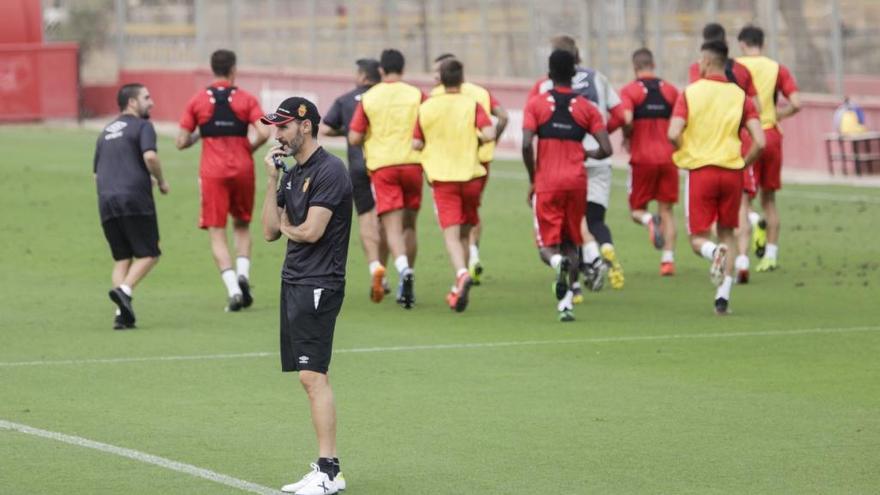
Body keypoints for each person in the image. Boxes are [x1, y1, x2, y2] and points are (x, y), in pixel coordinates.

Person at [259, 97, 352, 495]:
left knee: (313, 376)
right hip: (294, 280)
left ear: (305, 126)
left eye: (282, 127)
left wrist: (286, 224)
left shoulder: (330, 171)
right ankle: (324, 469)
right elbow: (267, 232)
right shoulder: (292, 174)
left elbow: (311, 231)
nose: (275, 134)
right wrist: (270, 180)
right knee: (308, 376)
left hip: (319, 283)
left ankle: (329, 472)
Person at [668, 40, 765, 315]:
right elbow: (760, 140)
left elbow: (673, 132)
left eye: (700, 61)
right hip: (732, 172)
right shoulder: (741, 96)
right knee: (727, 233)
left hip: (702, 171)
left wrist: (686, 150)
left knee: (698, 238)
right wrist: (744, 164)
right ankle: (723, 297)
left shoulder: (690, 93)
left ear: (708, 62)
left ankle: (713, 254)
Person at [528, 35, 626, 294]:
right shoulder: (597, 79)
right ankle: (600, 252)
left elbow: (528, 138)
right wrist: (596, 141)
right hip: (590, 163)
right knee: (590, 221)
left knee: (561, 233)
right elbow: (621, 115)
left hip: (555, 169)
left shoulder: (541, 90)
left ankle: (581, 275)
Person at [176, 49, 268, 311]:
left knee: (217, 231)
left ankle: (232, 289)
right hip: (243, 169)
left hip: (212, 172)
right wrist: (247, 149)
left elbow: (181, 141)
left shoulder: (197, 101)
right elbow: (264, 131)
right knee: (242, 224)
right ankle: (243, 275)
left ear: (212, 69)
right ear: (233, 70)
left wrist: (200, 134)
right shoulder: (246, 99)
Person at [413, 58, 496, 311]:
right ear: (461, 79)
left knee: (451, 233)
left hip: (443, 178)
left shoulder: (427, 107)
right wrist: (476, 141)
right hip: (471, 176)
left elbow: (416, 144)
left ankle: (461, 273)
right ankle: (458, 283)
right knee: (466, 231)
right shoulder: (472, 105)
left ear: (440, 79)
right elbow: (490, 133)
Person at [348, 48, 425, 309]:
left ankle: (403, 271)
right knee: (410, 226)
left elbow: (354, 137)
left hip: (384, 168)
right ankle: (407, 278)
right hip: (413, 164)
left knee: (391, 228)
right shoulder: (416, 94)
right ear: (403, 69)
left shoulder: (370, 98)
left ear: (381, 70)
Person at [688, 23, 762, 283]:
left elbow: (688, 117)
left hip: (706, 157)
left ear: (706, 56)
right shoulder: (742, 73)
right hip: (736, 154)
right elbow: (758, 110)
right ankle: (741, 259)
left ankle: (715, 252)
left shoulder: (696, 81)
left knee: (704, 227)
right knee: (738, 212)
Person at [430, 53, 509, 284]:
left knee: (451, 221)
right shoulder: (480, 93)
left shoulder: (434, 98)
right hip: (478, 163)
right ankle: (473, 254)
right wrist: (489, 142)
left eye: (437, 72)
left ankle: (461, 269)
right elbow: (503, 117)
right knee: (472, 210)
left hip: (445, 166)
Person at [95, 83, 168, 330]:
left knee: (123, 258)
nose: (152, 102)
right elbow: (150, 156)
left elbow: (96, 174)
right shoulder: (143, 126)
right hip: (134, 198)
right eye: (147, 97)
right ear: (132, 103)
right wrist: (161, 180)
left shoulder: (105, 131)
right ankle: (124, 291)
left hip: (106, 201)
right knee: (150, 252)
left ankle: (121, 314)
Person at [322, 58, 390, 303]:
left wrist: (348, 130)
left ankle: (375, 267)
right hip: (385, 165)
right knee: (389, 220)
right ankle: (387, 267)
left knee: (366, 218)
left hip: (358, 166)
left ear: (362, 76)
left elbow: (327, 128)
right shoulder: (388, 97)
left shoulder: (346, 99)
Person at [736, 25, 802, 273]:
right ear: (761, 43)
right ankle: (771, 255)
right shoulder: (777, 68)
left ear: (742, 44)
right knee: (769, 199)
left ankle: (744, 251)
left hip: (747, 136)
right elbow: (797, 103)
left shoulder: (736, 67)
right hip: (772, 135)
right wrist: (777, 115)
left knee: (743, 198)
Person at [619, 48, 680, 276]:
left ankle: (647, 220)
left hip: (642, 159)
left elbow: (626, 118)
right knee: (667, 210)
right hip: (668, 158)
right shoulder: (671, 91)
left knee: (636, 210)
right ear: (653, 65)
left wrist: (628, 135)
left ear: (635, 67)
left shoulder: (630, 91)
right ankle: (668, 260)